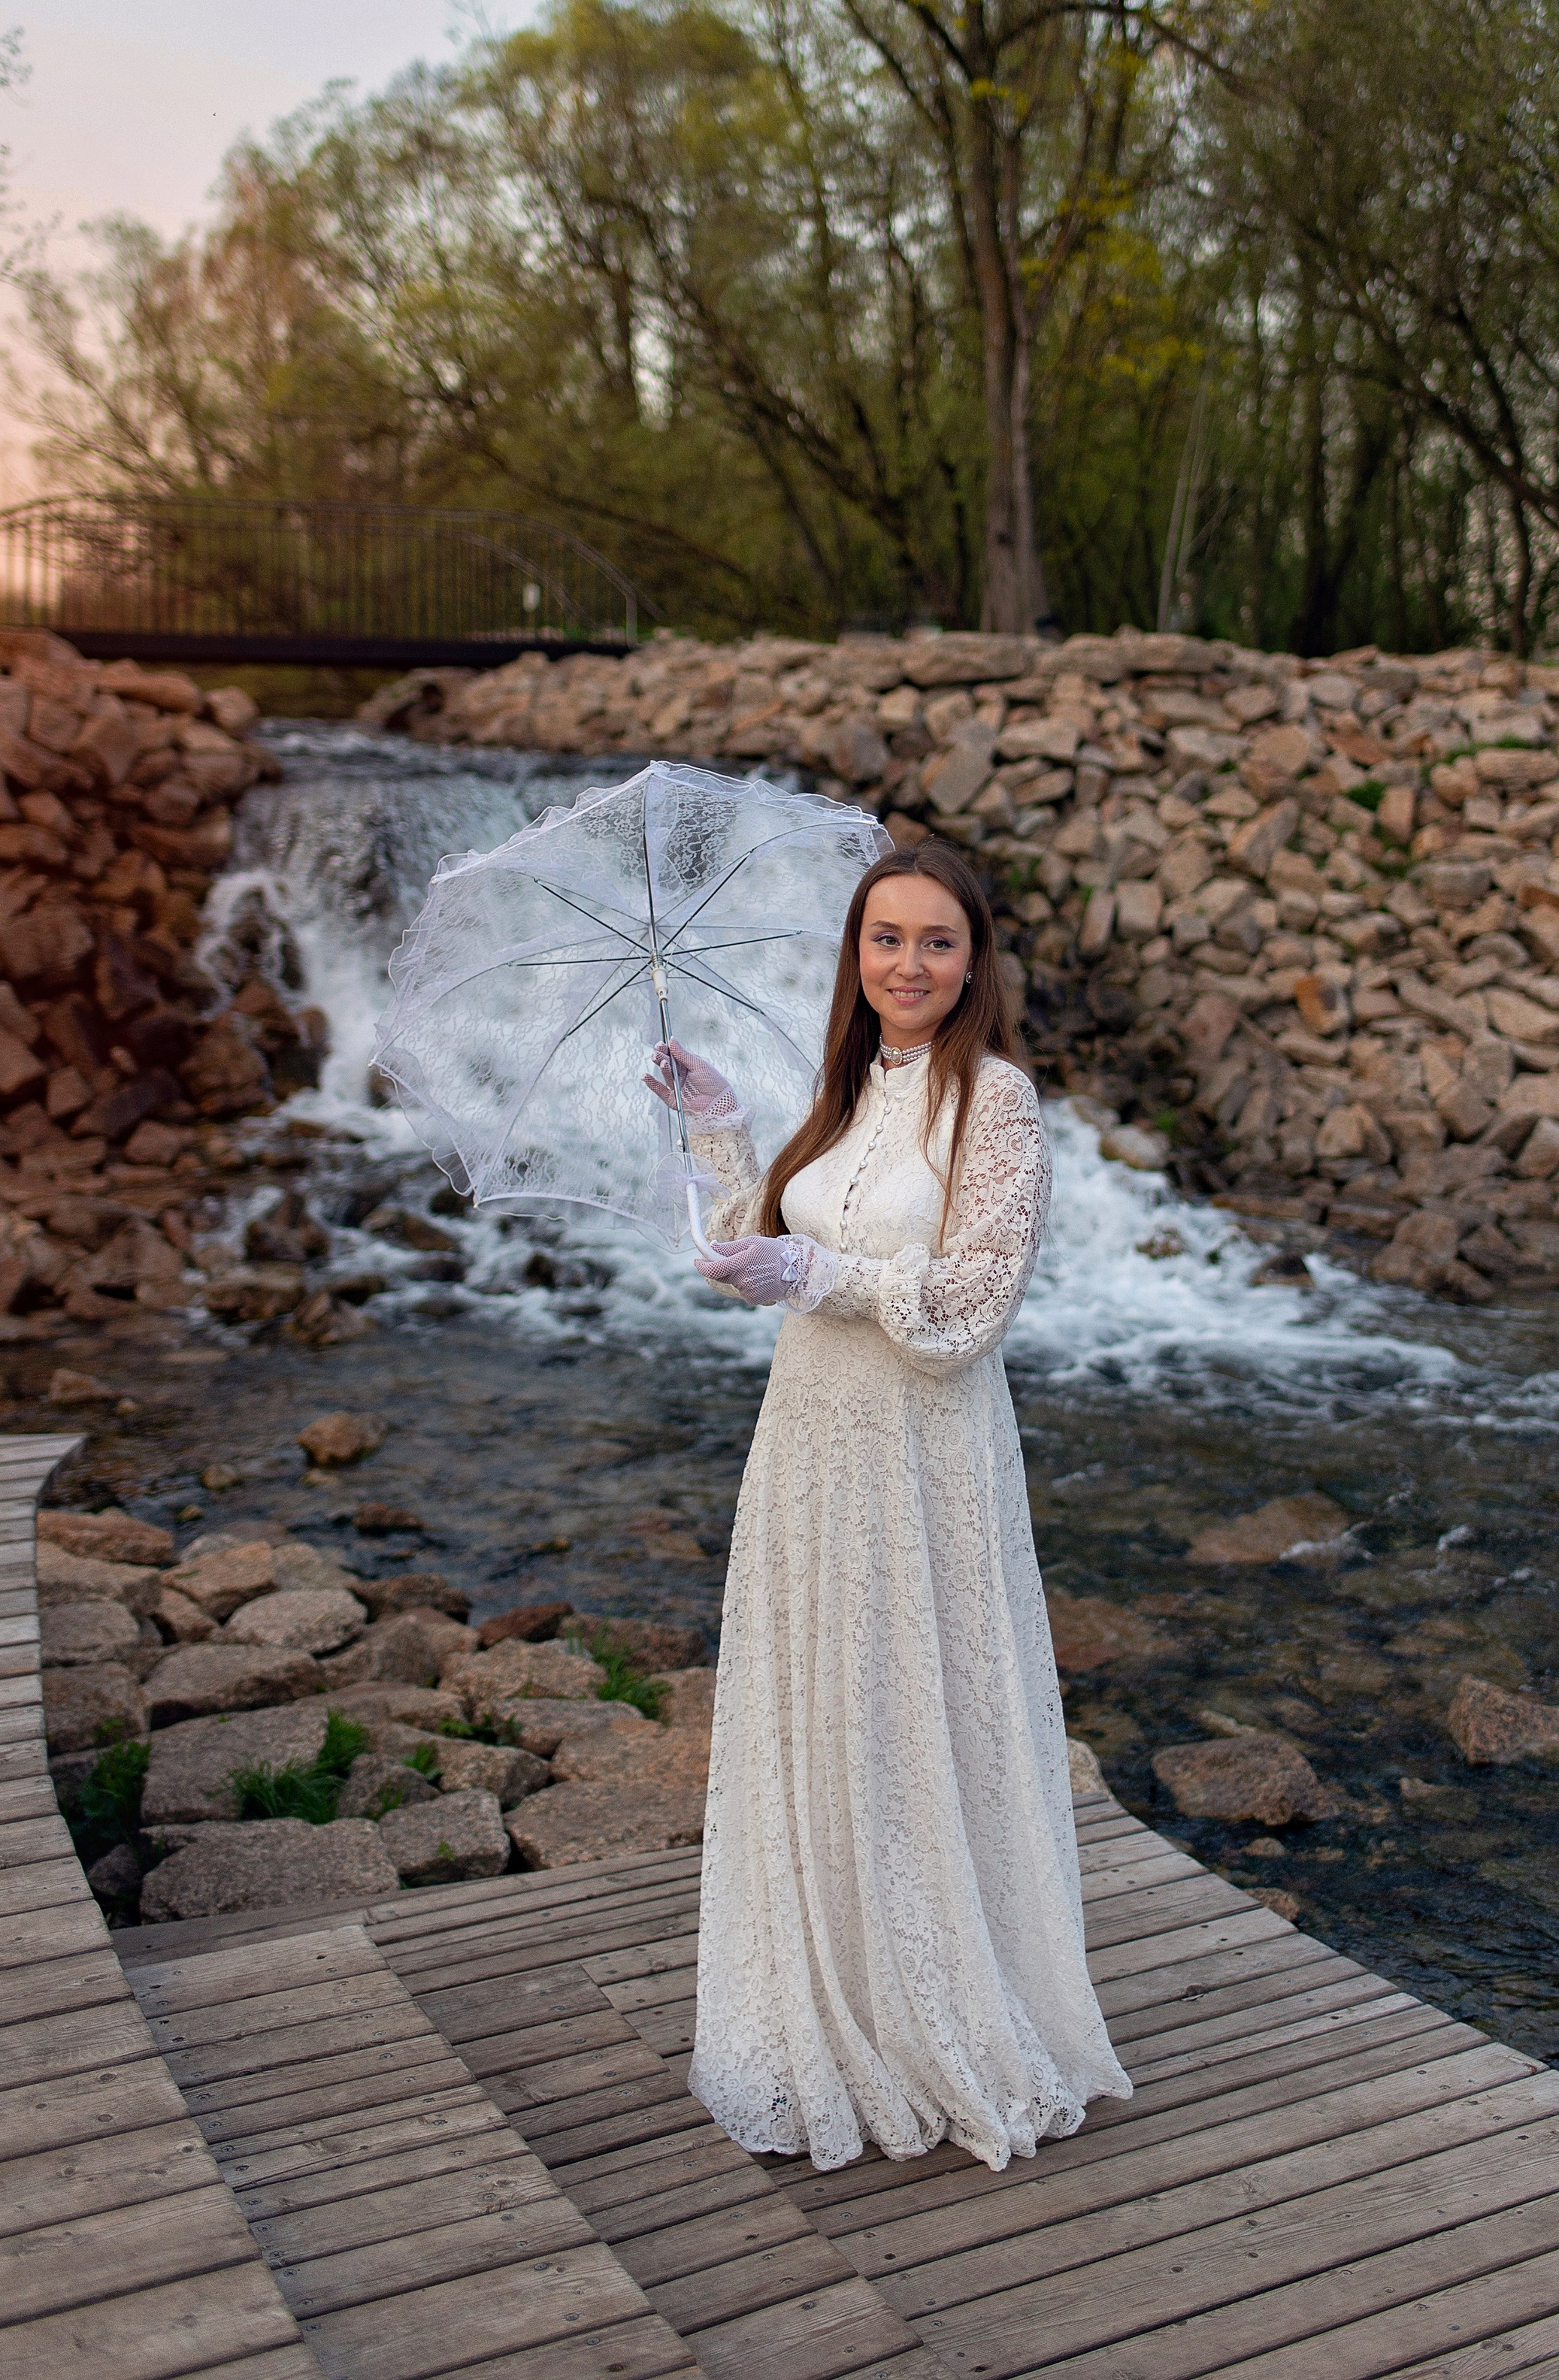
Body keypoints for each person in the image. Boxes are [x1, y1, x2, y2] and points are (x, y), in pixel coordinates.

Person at [643, 839, 1131, 2173]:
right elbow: (764, 1242)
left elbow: (972, 1303)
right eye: (884, 939)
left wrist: (815, 1271)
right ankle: (827, 1991)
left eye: (935, 942)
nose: (907, 964)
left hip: (925, 1449)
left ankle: (938, 2013)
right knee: (822, 1699)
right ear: (854, 957)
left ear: (975, 963)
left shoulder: (1000, 1104)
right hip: (808, 1439)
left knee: (915, 1702)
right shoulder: (846, 1090)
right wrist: (720, 1121)